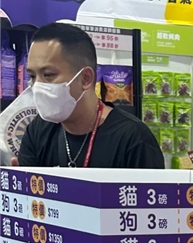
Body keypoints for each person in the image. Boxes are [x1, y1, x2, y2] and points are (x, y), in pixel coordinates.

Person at [16, 22, 163, 169]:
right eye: (32, 76)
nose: (37, 86)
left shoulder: (134, 139)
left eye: (48, 74)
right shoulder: (37, 131)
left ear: (86, 78)